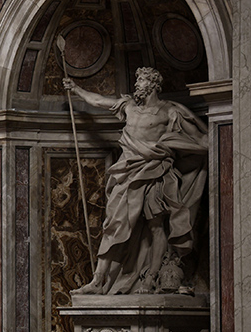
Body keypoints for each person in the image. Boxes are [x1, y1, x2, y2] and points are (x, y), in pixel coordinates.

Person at [63, 68, 208, 295]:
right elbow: (99, 101)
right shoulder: (128, 106)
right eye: (137, 80)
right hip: (128, 172)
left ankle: (150, 278)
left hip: (154, 171)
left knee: (156, 226)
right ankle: (98, 280)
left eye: (141, 80)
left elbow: (202, 141)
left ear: (153, 84)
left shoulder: (169, 112)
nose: (137, 84)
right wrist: (77, 89)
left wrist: (172, 146)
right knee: (113, 224)